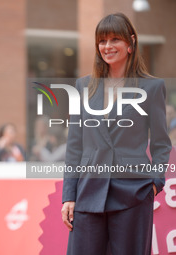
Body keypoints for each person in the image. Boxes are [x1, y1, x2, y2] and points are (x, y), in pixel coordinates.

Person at [61, 13, 171, 255]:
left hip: (134, 194)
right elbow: (75, 146)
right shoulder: (83, 87)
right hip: (88, 193)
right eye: (102, 41)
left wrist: (154, 183)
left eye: (114, 40)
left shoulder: (151, 88)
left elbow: (162, 144)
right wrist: (69, 195)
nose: (107, 47)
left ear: (130, 43)